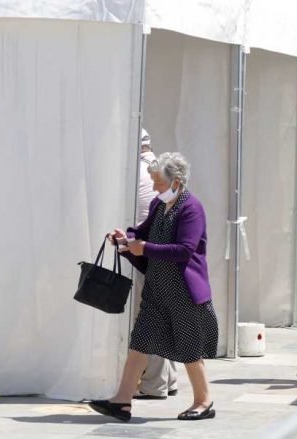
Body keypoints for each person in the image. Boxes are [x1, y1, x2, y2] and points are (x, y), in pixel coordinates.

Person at [90, 152, 219, 422]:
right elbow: (143, 231)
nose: (155, 187)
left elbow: (184, 250)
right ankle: (122, 401)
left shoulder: (191, 208)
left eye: (159, 182)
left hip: (183, 291)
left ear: (177, 181)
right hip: (157, 288)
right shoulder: (160, 206)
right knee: (140, 342)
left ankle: (203, 402)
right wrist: (126, 240)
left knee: (189, 348)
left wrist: (144, 247)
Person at [132, 129, 179, 401]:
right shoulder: (158, 169)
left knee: (149, 318)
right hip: (162, 254)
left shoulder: (137, 172)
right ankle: (168, 379)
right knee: (161, 316)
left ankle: (153, 384)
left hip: (147, 253)